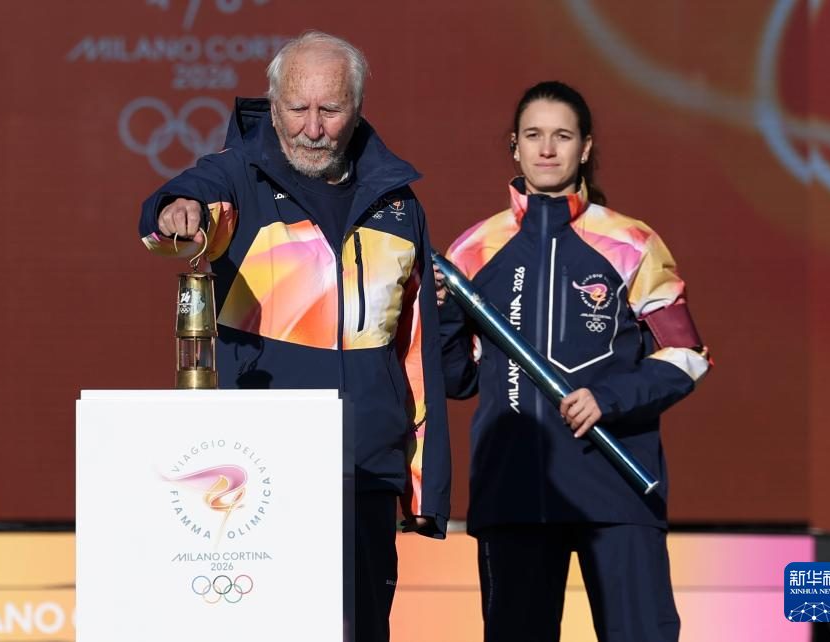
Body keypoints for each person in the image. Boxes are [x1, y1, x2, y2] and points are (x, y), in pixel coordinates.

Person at [138, 31, 451, 642]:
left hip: (365, 466)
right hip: (262, 472)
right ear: (273, 104)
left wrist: (424, 485)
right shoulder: (237, 177)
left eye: (329, 109)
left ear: (356, 108)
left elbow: (415, 351)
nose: (312, 128)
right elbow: (178, 206)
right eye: (296, 108)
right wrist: (177, 210)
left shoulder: (398, 203)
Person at [437, 81, 711, 642]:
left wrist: (608, 399)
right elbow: (458, 379)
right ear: (514, 146)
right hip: (514, 492)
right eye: (533, 135)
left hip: (615, 483)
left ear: (584, 148)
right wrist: (441, 316)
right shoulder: (474, 249)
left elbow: (686, 354)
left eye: (561, 136)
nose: (546, 149)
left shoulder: (631, 241)